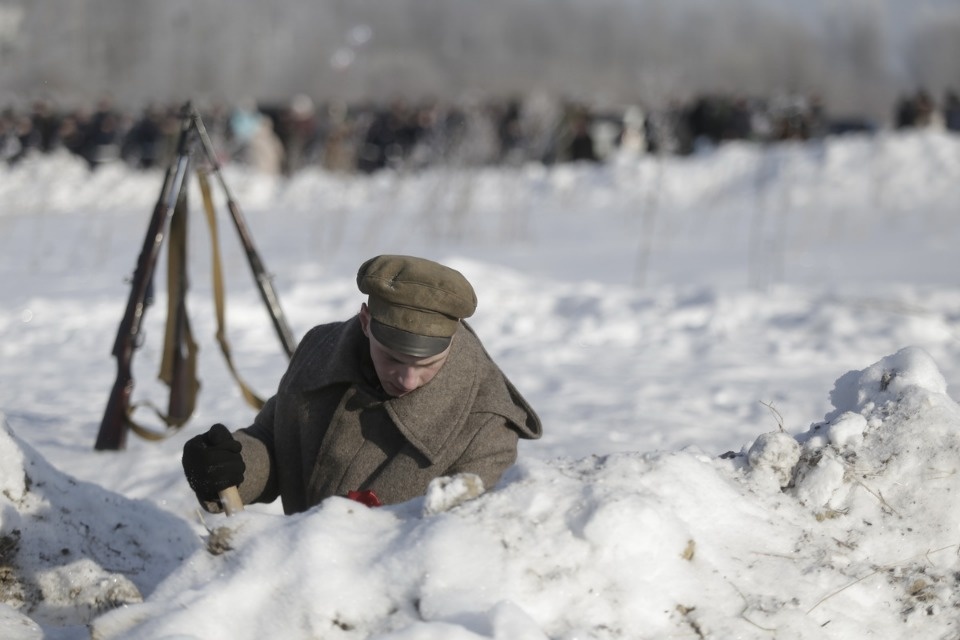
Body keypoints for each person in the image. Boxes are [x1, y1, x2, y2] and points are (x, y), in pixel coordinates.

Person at [182, 255, 542, 514]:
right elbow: (277, 444)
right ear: (366, 322)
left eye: (426, 365)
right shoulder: (321, 353)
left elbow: (460, 555)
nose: (407, 379)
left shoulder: (485, 431)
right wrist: (233, 466)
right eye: (393, 359)